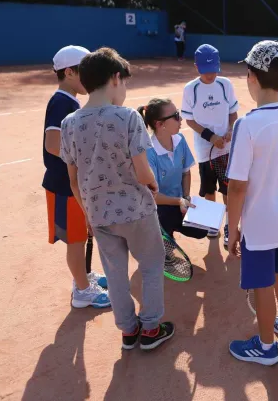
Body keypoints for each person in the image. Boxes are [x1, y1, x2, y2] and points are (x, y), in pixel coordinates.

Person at [60, 47, 174, 351]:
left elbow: (73, 179)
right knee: (150, 264)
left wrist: (87, 212)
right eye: (124, 83)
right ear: (115, 78)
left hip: (98, 213)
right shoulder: (127, 118)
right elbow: (142, 170)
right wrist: (152, 184)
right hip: (136, 209)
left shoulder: (69, 122)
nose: (125, 90)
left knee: (115, 272)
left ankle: (128, 330)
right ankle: (150, 329)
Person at [227, 41, 278, 366]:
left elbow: (237, 187)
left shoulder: (248, 124)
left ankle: (267, 348)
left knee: (262, 285)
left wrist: (231, 230)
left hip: (260, 222)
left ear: (251, 77)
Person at [42, 45, 110, 309]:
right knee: (76, 239)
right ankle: (82, 291)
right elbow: (52, 143)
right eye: (86, 72)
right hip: (64, 186)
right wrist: (83, 163)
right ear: (69, 72)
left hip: (72, 184)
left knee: (80, 234)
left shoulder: (70, 100)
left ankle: (84, 277)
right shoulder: (63, 102)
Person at [138, 98, 207, 275]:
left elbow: (186, 172)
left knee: (202, 230)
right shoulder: (149, 152)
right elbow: (152, 195)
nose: (181, 119)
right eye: (176, 116)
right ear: (160, 124)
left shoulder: (180, 139)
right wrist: (179, 201)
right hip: (156, 207)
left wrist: (186, 197)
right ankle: (159, 240)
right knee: (161, 218)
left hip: (178, 202)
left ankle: (166, 235)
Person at [181, 44, 239, 244]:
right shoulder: (190, 89)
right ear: (197, 67)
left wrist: (231, 130)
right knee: (208, 190)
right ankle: (213, 223)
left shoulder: (225, 85)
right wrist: (211, 136)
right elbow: (189, 120)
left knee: (227, 189)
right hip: (205, 150)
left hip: (226, 149)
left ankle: (230, 226)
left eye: (214, 69)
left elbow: (233, 112)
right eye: (206, 71)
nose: (211, 75)